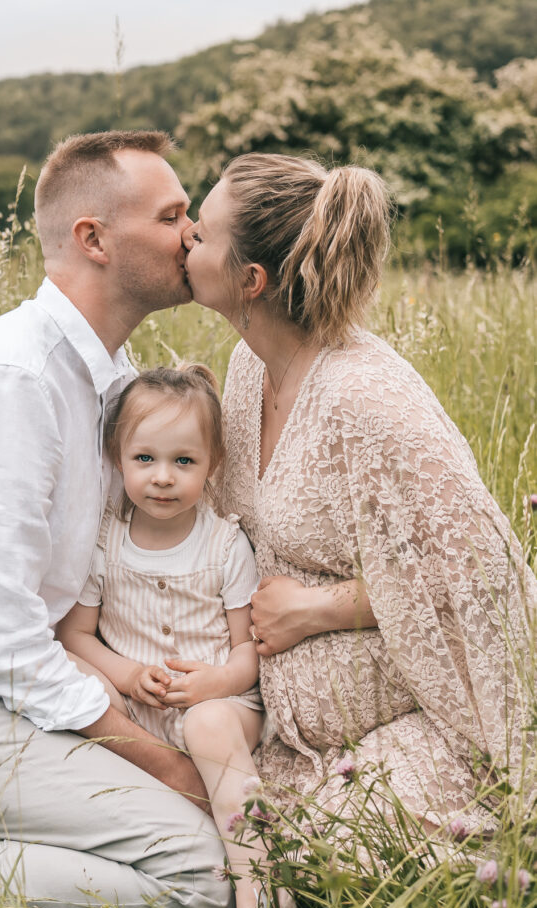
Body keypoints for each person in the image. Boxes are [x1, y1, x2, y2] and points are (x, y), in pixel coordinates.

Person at [0, 130, 236, 908]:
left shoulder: (115, 384)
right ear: (92, 239)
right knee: (199, 868)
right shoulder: (12, 380)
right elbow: (0, 640)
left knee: (210, 824)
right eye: (171, 216)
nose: (192, 233)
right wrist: (160, 763)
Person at [183, 153, 537, 836]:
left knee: (306, 853)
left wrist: (319, 609)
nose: (183, 243)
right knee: (216, 830)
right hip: (292, 724)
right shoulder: (247, 369)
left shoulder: (366, 399)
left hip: (437, 724)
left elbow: (488, 577)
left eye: (199, 234)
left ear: (249, 280)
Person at [57, 364, 293, 908]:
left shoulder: (224, 546)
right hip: (141, 709)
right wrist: (126, 673)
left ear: (212, 465)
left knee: (210, 724)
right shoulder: (106, 541)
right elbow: (74, 636)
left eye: (184, 461)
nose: (163, 477)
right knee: (81, 681)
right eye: (146, 458)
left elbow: (250, 656)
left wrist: (213, 684)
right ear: (117, 459)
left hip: (220, 706)